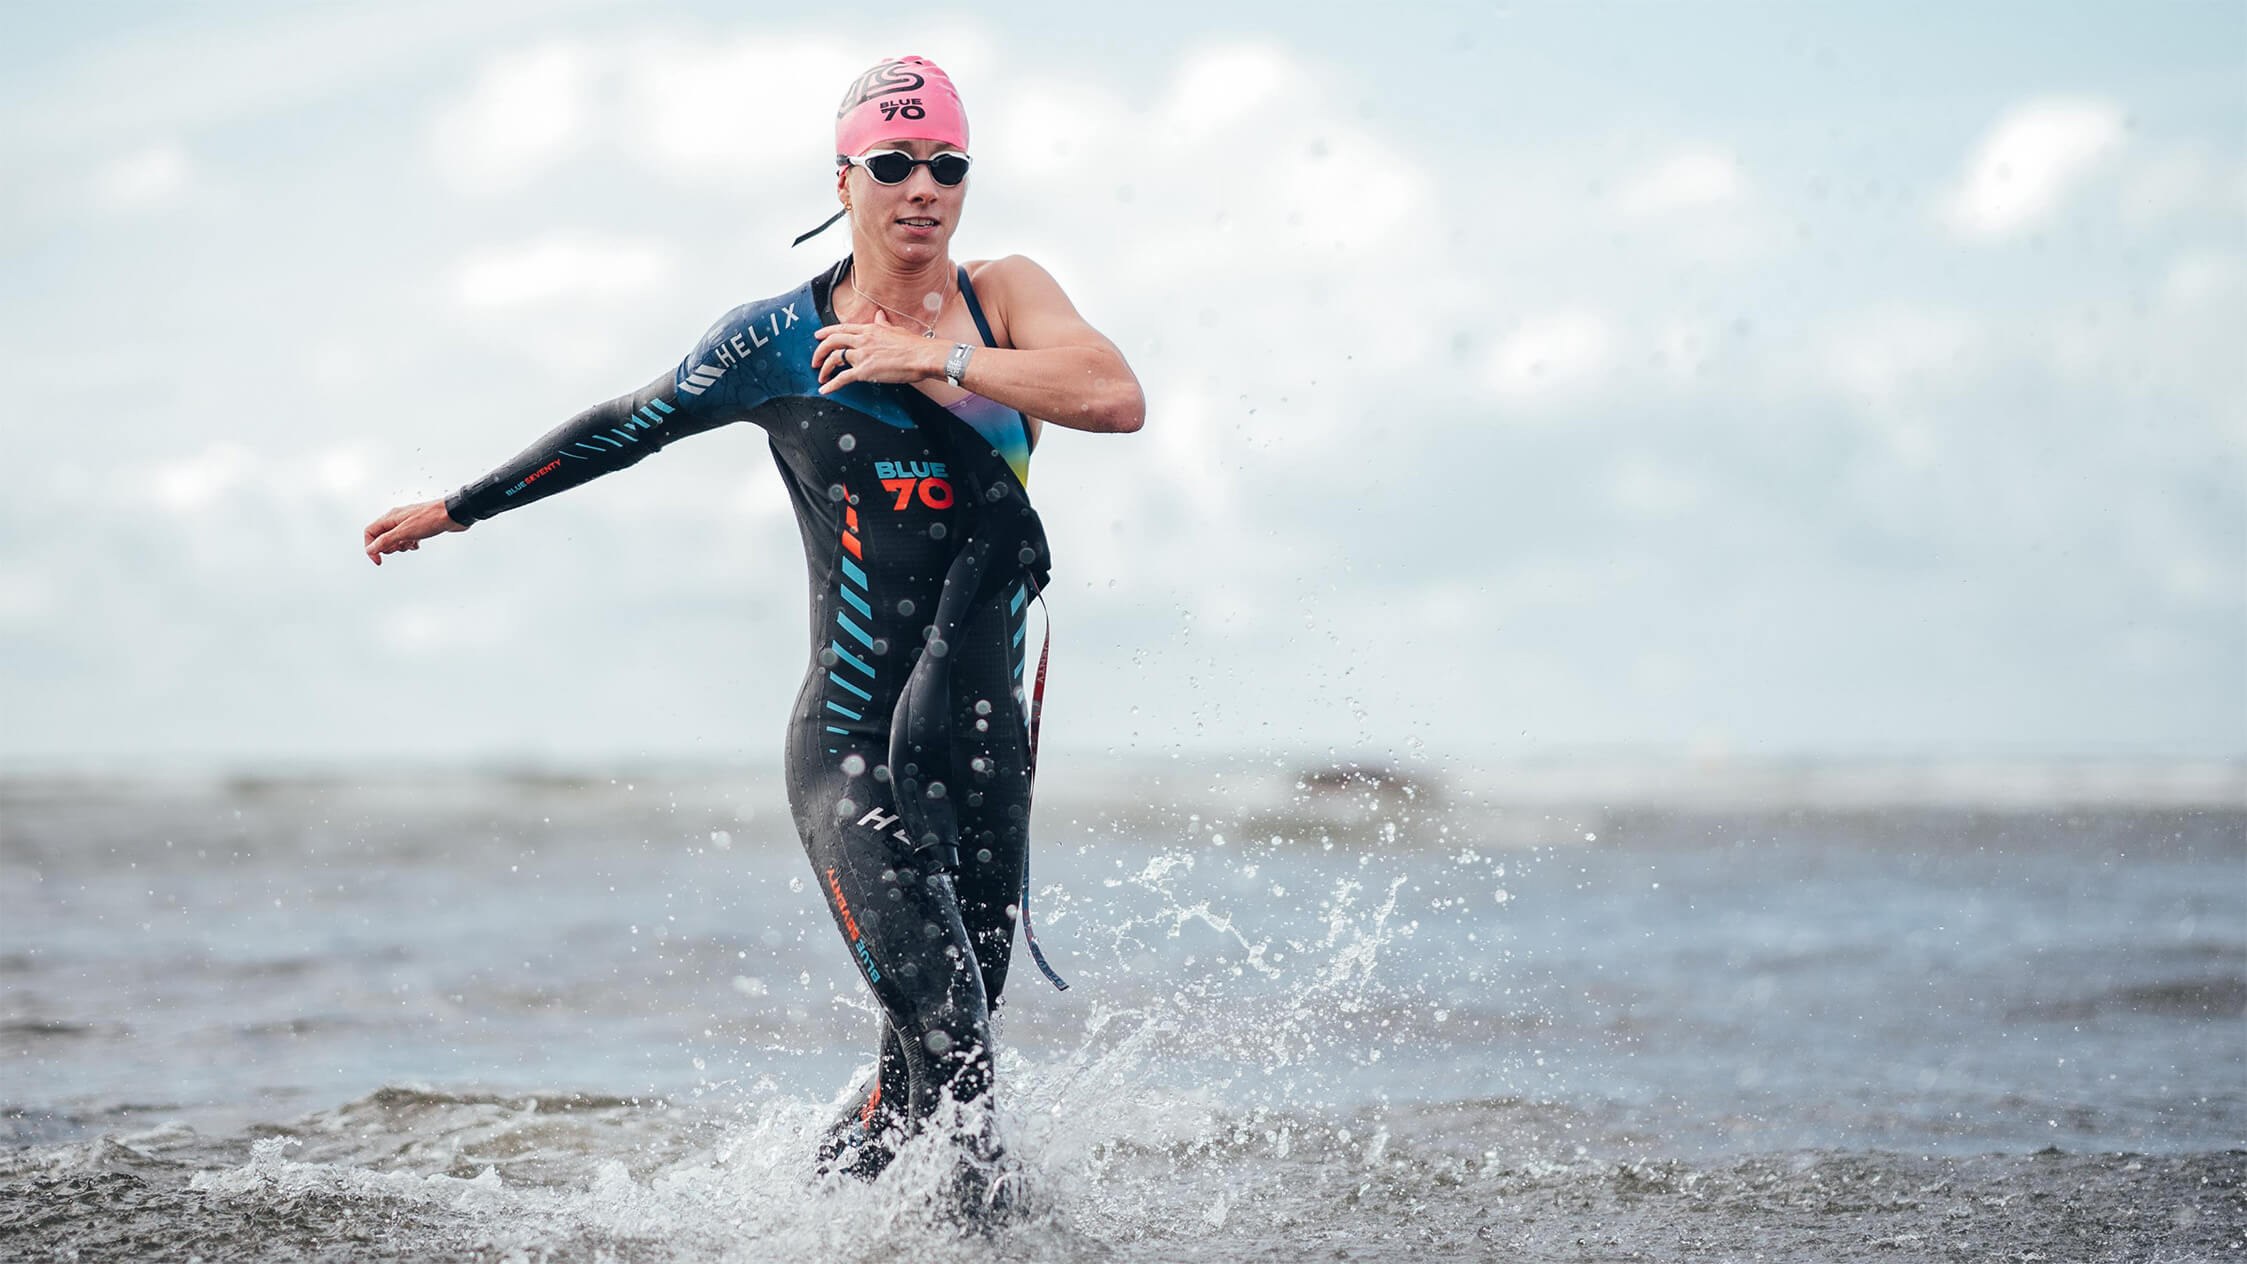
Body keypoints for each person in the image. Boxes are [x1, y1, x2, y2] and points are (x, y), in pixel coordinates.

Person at [360, 54, 1144, 1206]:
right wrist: (458, 507)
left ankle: (805, 1218)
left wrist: (930, 358)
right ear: (844, 179)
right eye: (892, 162)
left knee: (930, 1066)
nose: (920, 185)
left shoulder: (1003, 299)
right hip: (851, 745)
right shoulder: (774, 339)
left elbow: (1115, 396)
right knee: (956, 1043)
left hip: (982, 749)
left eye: (946, 164)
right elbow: (630, 422)